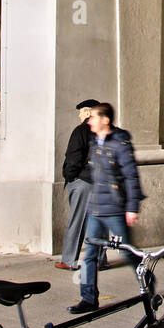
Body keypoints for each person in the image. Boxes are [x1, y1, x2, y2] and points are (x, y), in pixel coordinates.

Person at [69, 102, 144, 314]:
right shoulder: (95, 141)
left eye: (93, 117)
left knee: (128, 252)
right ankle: (88, 298)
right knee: (90, 254)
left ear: (105, 120)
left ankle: (147, 284)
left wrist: (132, 207)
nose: (89, 120)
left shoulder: (120, 142)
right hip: (97, 207)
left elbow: (131, 175)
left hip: (115, 208)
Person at [55, 98, 99, 270]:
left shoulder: (81, 130)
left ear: (88, 112)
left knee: (77, 221)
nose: (79, 115)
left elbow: (74, 157)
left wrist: (70, 176)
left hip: (83, 182)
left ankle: (69, 260)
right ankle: (99, 261)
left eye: (80, 112)